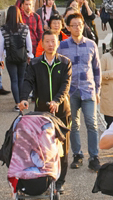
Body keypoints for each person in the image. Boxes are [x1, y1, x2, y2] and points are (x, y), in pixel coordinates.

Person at [20, 31, 73, 191]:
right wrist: (23, 98)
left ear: (58, 43)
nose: (51, 44)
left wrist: (57, 101)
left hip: (62, 112)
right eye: (47, 41)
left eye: (53, 41)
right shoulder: (35, 63)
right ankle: (45, 179)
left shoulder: (64, 63)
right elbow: (28, 81)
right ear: (42, 44)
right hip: (42, 113)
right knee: (42, 147)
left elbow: (66, 85)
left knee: (62, 149)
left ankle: (60, 182)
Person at [58, 12, 103, 171]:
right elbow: (59, 70)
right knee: (74, 125)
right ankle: (77, 155)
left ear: (84, 25)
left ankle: (94, 156)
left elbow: (97, 69)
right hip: (70, 91)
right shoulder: (62, 46)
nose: (77, 28)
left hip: (88, 89)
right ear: (68, 27)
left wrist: (98, 90)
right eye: (74, 25)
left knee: (92, 123)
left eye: (80, 24)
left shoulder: (91, 44)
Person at [1, 4, 33, 106]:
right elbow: (29, 44)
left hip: (10, 57)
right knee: (21, 79)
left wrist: (1, 58)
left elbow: (1, 45)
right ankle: (22, 101)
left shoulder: (4, 29)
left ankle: (17, 102)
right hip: (22, 57)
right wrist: (30, 55)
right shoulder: (24, 28)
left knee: (14, 80)